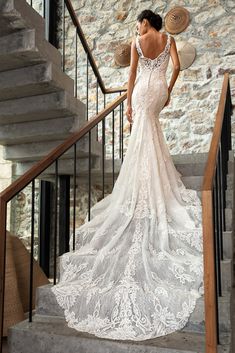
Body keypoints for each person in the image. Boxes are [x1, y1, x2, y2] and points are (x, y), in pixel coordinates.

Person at [51, 9, 203, 341]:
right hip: (159, 87)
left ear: (146, 23)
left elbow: (132, 75)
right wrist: (169, 88)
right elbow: (176, 67)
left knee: (142, 135)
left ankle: (141, 189)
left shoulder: (138, 41)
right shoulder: (169, 40)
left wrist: (130, 103)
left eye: (140, 23)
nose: (138, 27)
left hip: (141, 90)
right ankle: (154, 186)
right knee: (153, 133)